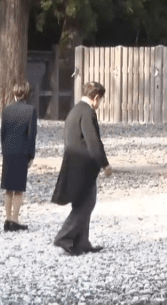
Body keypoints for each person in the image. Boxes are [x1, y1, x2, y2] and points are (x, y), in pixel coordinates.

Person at [51, 81, 112, 256]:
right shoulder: (87, 113)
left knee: (82, 202)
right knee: (87, 204)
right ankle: (64, 236)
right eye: (100, 100)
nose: (100, 104)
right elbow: (93, 142)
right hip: (85, 166)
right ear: (96, 98)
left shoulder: (74, 111)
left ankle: (81, 242)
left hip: (73, 163)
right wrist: (104, 164)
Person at [0, 81, 37, 232]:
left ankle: (7, 219)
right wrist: (31, 155)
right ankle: (15, 219)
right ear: (26, 94)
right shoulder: (30, 110)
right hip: (22, 151)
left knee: (8, 187)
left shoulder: (6, 110)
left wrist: (4, 149)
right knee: (18, 188)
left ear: (14, 94)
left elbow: (3, 133)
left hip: (8, 150)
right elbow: (31, 135)